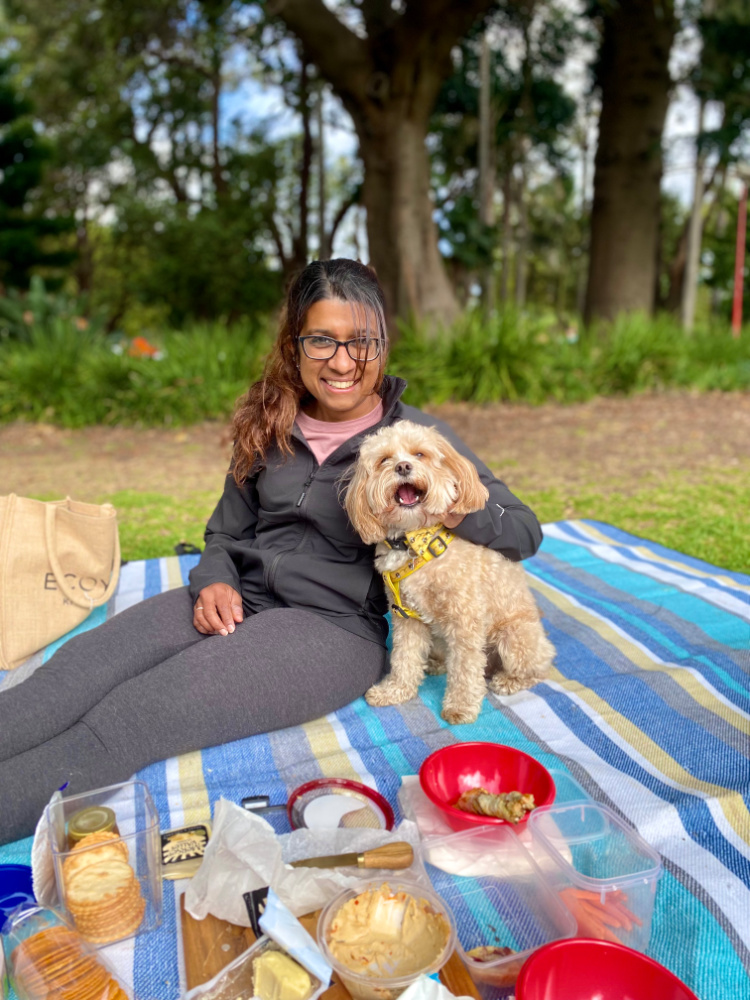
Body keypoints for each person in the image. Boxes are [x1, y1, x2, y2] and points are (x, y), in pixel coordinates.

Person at [0, 259, 543, 846]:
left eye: (360, 342)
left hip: (331, 630)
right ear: (295, 343)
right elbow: (224, 532)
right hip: (239, 595)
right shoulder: (271, 421)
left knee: (131, 718)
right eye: (322, 340)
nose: (342, 361)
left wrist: (448, 496)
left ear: (383, 345)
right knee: (71, 674)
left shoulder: (418, 440)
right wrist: (213, 579)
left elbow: (523, 529)